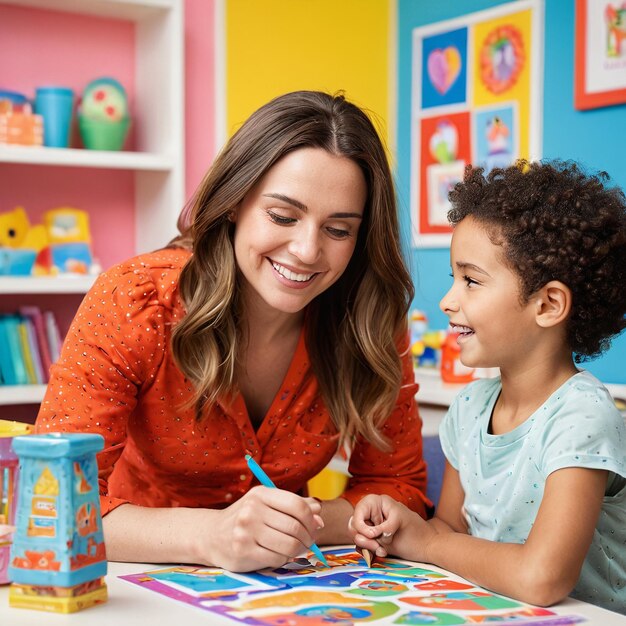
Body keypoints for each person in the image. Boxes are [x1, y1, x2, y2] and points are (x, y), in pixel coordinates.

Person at [36, 90, 431, 572]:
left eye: (339, 230)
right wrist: (212, 535)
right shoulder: (135, 300)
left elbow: (399, 489)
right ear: (232, 203)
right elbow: (53, 502)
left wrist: (294, 523)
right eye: (283, 216)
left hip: (282, 588)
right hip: (130, 577)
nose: (307, 250)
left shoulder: (370, 318)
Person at [349, 161, 626, 614]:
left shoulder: (582, 417)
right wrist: (401, 526)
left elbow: (543, 577)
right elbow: (447, 532)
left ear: (548, 304)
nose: (446, 300)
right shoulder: (471, 407)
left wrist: (426, 544)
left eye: (471, 280)